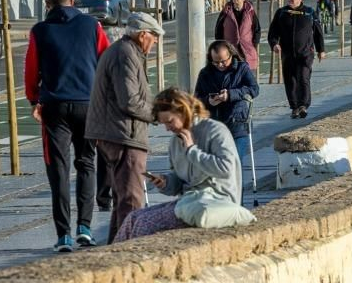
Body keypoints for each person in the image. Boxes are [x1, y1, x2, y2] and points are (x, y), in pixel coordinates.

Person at [25, 0, 110, 252]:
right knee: (87, 163)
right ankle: (85, 228)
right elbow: (105, 59)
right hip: (88, 104)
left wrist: (34, 100)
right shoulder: (92, 26)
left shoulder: (39, 31)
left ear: (48, 4)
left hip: (55, 107)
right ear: (72, 1)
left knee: (58, 170)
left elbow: (31, 71)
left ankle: (63, 235)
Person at [116, 88, 257, 241]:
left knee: (144, 223)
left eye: (169, 122)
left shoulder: (215, 131)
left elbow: (225, 169)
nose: (167, 128)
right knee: (132, 218)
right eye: (164, 124)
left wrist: (192, 150)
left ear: (183, 112)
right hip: (189, 201)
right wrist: (166, 182)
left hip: (214, 200)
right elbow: (181, 182)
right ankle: (112, 261)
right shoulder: (175, 142)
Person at [86, 13, 160, 243]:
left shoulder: (127, 51)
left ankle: (114, 251)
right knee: (131, 200)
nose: (156, 42)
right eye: (154, 37)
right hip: (123, 135)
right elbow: (129, 101)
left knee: (122, 199)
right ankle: (127, 252)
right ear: (142, 34)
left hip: (117, 133)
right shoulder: (125, 54)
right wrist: (159, 115)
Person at [193, 40, 259, 186]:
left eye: (223, 61)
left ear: (231, 55)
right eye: (215, 62)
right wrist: (209, 101)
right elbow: (196, 99)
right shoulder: (205, 73)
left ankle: (237, 205)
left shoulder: (241, 68)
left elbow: (254, 89)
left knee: (234, 166)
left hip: (237, 124)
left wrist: (231, 94)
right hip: (214, 127)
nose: (220, 65)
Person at [267, 0, 325, 119]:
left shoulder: (309, 12)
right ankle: (294, 107)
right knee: (290, 81)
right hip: (287, 54)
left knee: (303, 77)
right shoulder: (281, 13)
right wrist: (274, 44)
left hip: (305, 52)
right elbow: (273, 33)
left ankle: (303, 105)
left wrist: (321, 49)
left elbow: (318, 32)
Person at [214, 0, 260, 72]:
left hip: (247, 51)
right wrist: (222, 45)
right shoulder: (226, 12)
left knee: (247, 78)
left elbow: (257, 29)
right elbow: (218, 30)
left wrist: (253, 44)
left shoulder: (250, 12)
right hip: (230, 50)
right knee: (231, 78)